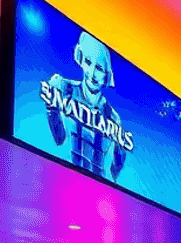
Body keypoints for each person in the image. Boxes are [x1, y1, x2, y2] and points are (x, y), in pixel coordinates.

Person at [43, 31, 129, 182]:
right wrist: (52, 108)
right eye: (88, 62)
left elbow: (118, 164)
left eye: (99, 68)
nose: (92, 73)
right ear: (81, 60)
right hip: (62, 179)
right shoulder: (64, 87)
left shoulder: (113, 117)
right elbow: (59, 138)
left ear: (107, 75)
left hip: (101, 192)